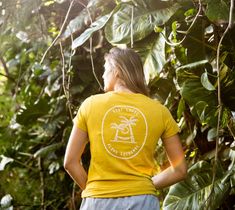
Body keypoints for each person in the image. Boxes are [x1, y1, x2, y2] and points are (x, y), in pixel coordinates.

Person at [64, 47, 187, 210]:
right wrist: (145, 186)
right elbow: (180, 170)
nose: (102, 75)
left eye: (105, 70)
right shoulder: (159, 111)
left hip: (97, 201)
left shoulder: (90, 105)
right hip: (142, 201)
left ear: (117, 72)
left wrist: (93, 190)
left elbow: (70, 162)